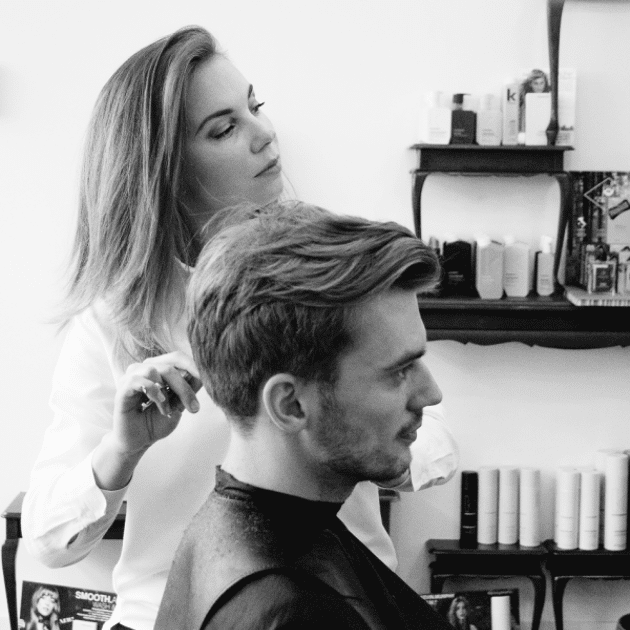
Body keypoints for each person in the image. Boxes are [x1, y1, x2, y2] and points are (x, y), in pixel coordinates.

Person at [22, 25, 457, 630]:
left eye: (255, 107)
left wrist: (371, 439)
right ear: (163, 170)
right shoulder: (115, 325)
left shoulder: (328, 279)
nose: (265, 134)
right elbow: (50, 540)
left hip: (335, 599)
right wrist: (122, 450)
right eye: (224, 128)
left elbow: (435, 434)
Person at [154, 201, 453, 629]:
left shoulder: (235, 530)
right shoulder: (292, 613)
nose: (430, 393)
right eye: (398, 371)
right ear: (290, 405)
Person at [518, 68, 550, 133]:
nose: (539, 87)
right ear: (530, 84)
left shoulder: (549, 96)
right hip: (527, 131)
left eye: (542, 83)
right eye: (536, 83)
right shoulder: (524, 97)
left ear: (545, 83)